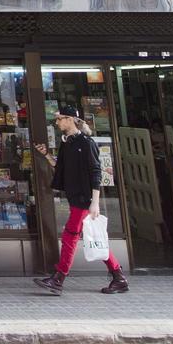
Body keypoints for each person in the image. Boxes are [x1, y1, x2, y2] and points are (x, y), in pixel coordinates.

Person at [32, 105, 128, 295]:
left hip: (84, 199)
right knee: (93, 239)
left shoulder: (86, 143)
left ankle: (59, 278)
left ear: (70, 120)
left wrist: (95, 202)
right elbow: (60, 167)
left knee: (70, 236)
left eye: (60, 119)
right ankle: (118, 276)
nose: (57, 122)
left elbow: (96, 171)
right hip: (75, 197)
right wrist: (46, 155)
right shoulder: (67, 143)